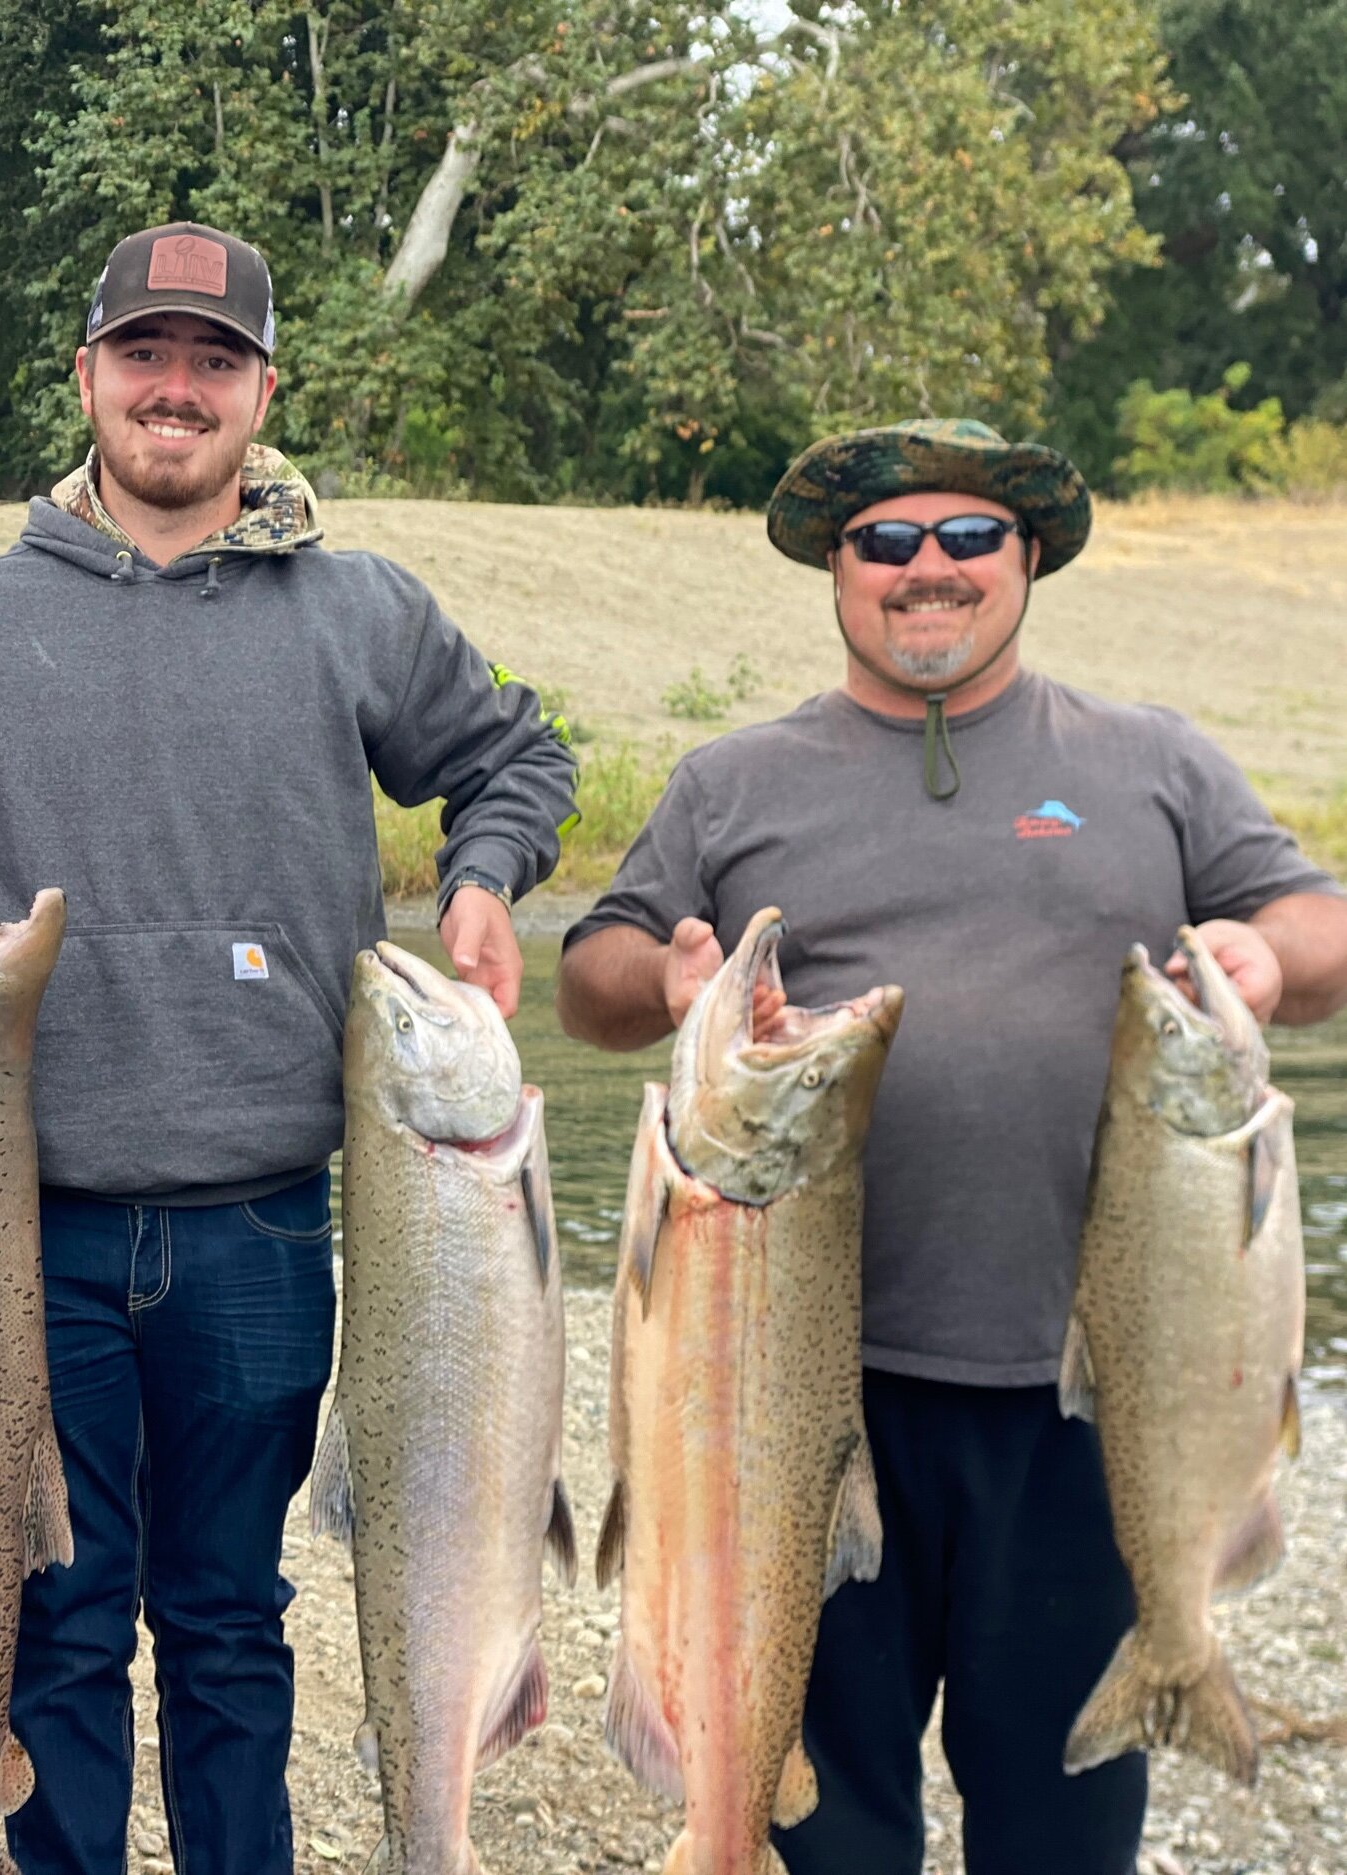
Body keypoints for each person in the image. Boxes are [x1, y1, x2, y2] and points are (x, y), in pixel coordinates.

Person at [0, 222, 578, 1875]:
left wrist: (486, 877)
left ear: (260, 391)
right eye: (145, 356)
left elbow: (518, 756)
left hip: (263, 1226)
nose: (176, 390)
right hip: (19, 1230)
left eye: (212, 362)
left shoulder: (355, 609)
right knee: (59, 1624)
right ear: (86, 376)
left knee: (233, 1625)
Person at [557, 418, 1347, 1874]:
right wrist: (666, 984)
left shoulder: (1153, 762)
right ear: (840, 571)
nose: (929, 568)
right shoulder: (738, 783)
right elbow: (589, 975)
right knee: (833, 1823)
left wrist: (1266, 960)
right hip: (794, 1402)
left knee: (1059, 1827)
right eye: (887, 542)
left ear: (1026, 555)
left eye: (968, 536)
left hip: (1095, 1403)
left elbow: (1320, 925)